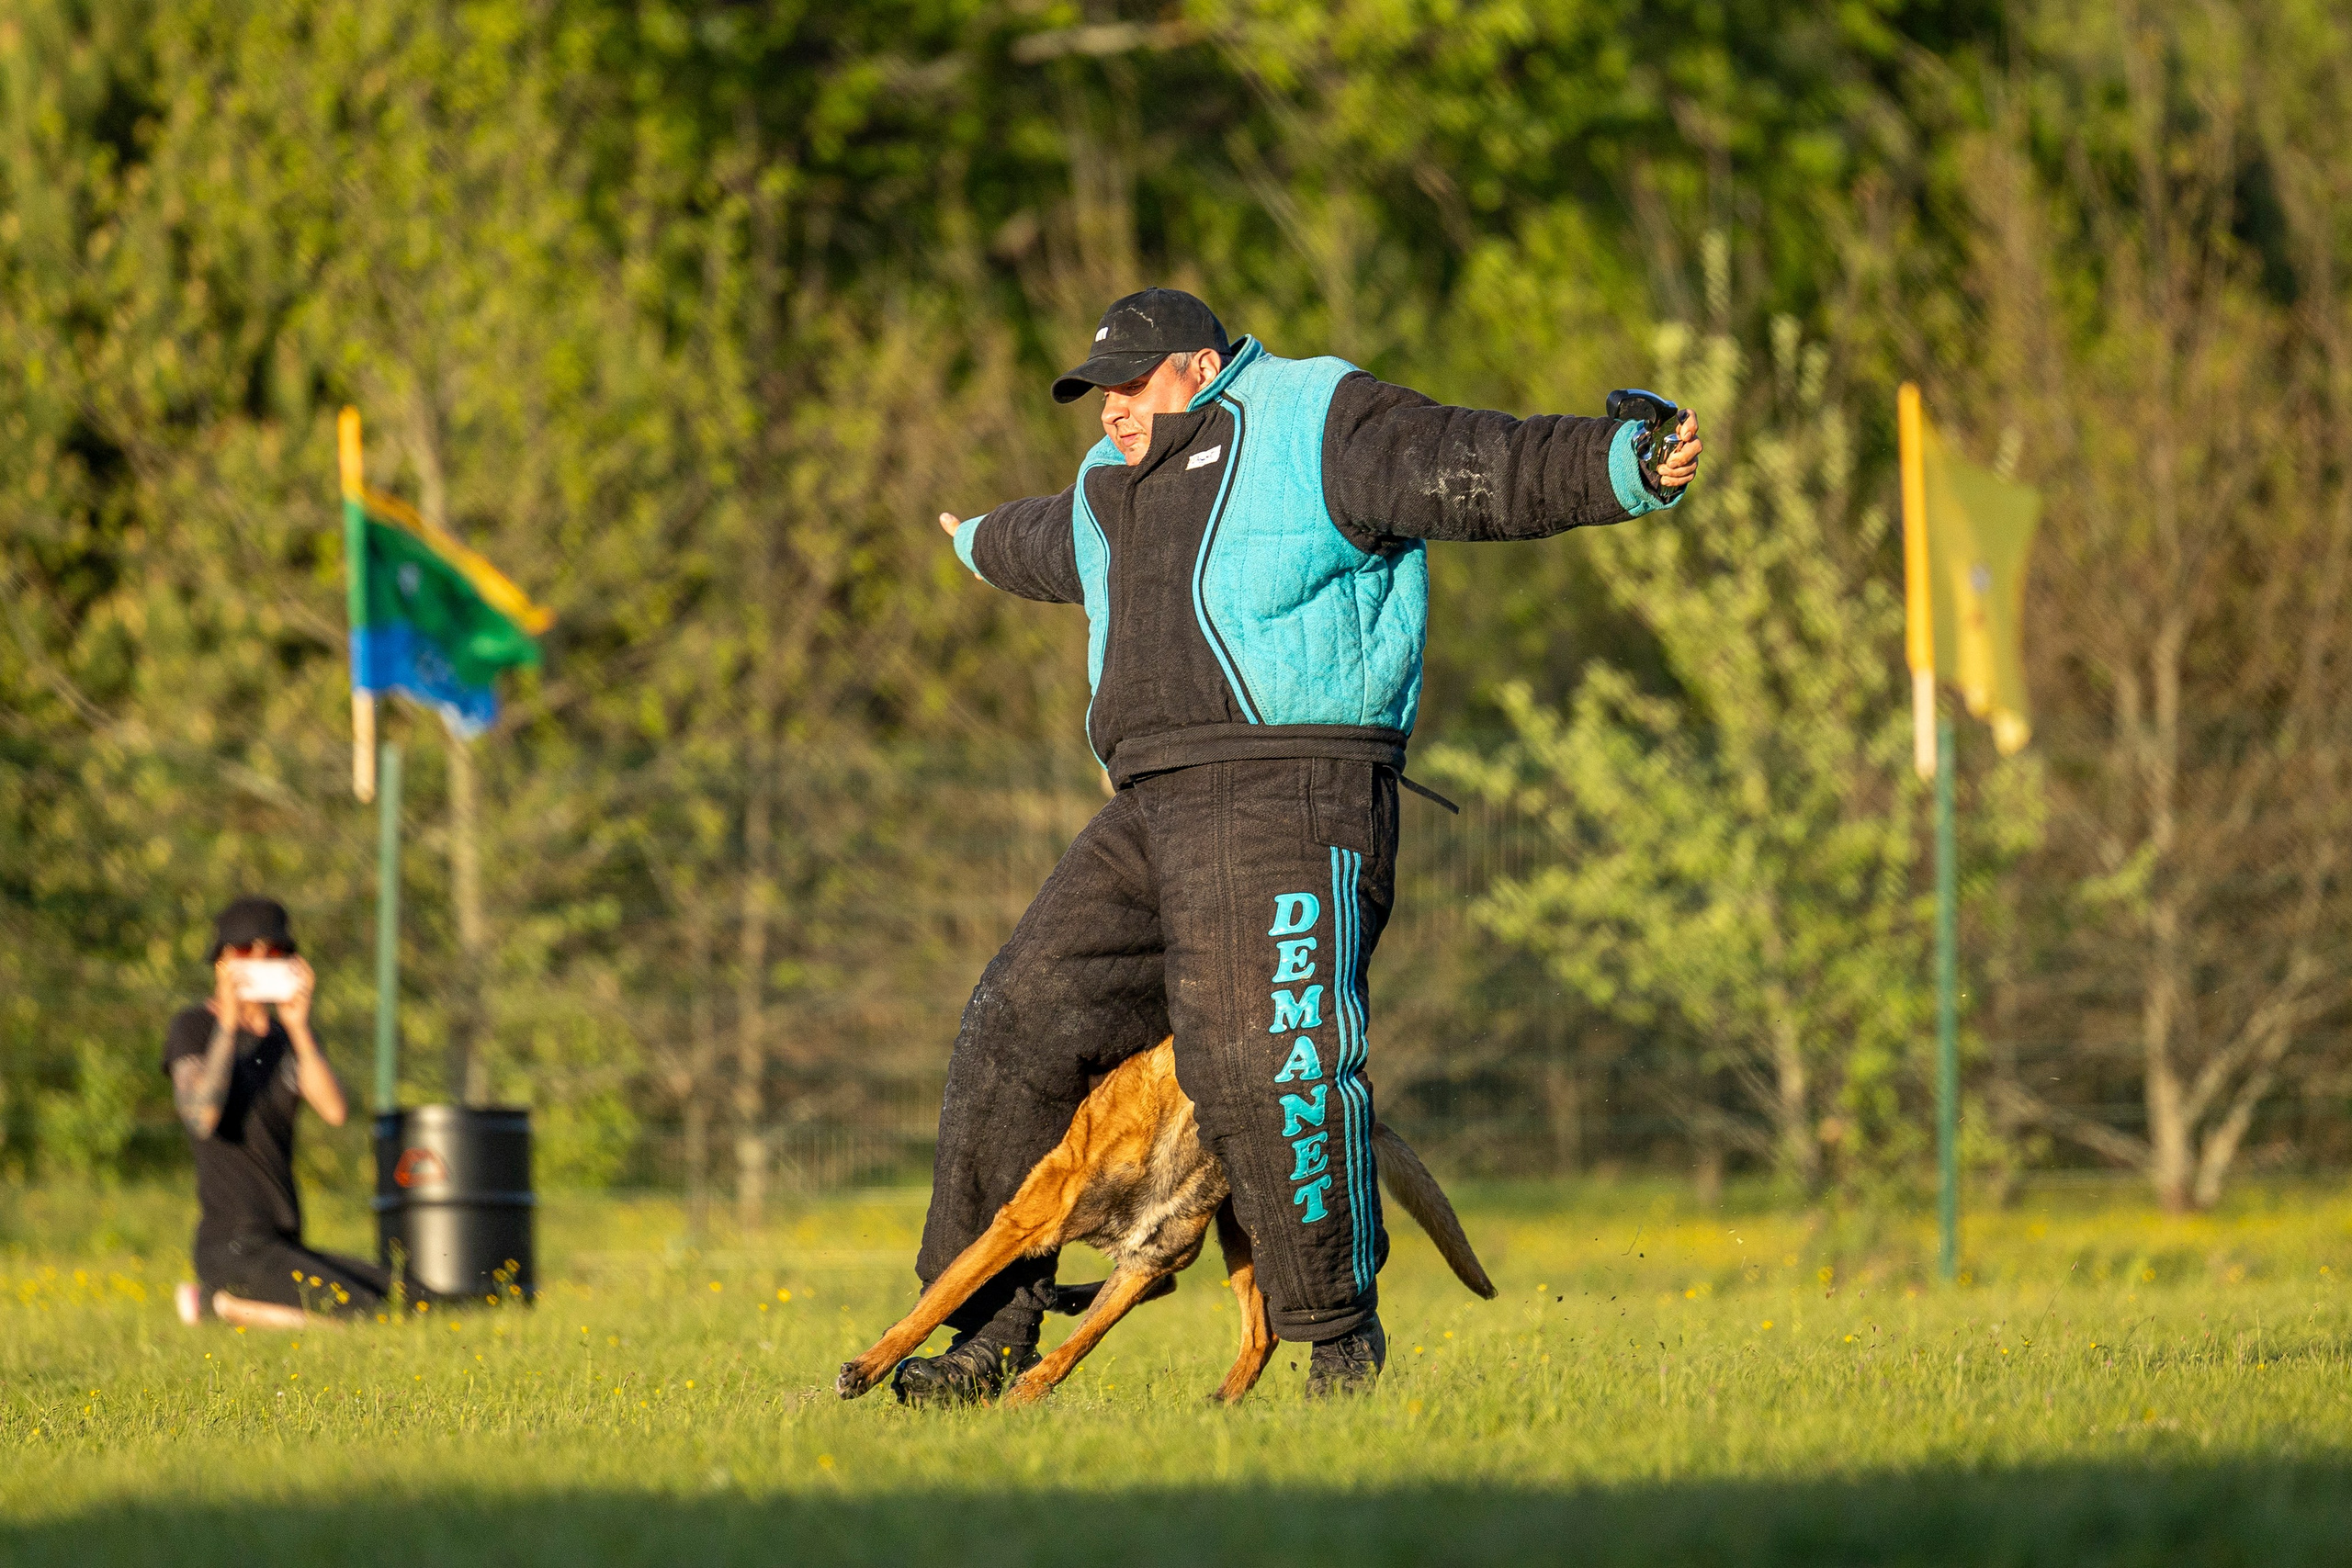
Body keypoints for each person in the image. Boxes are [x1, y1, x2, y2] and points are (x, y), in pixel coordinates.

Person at [899, 288, 1705, 1404]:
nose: (1111, 409)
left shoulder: (1315, 416)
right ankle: (985, 1338)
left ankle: (1336, 1338)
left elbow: (1472, 462)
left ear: (1200, 366)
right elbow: (1042, 540)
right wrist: (972, 541)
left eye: (1131, 384)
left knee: (1260, 1059)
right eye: (1096, 393)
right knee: (1014, 1019)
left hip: (1293, 789)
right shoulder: (1105, 486)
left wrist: (1624, 464)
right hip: (1152, 802)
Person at [165, 896, 390, 1328]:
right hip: (232, 1244)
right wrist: (228, 1024)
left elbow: (334, 1111)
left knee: (404, 1295)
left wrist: (299, 1027)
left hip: (282, 1240)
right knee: (361, 1310)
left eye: (275, 952)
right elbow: (201, 1117)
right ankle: (217, 1303)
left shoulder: (288, 1037)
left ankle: (230, 1303)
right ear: (221, 961)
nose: (261, 962)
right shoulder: (193, 1027)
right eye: (246, 951)